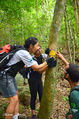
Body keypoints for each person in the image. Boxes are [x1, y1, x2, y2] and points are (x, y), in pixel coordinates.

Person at [0, 37, 56, 119]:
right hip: (5, 76)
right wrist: (48, 62)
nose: (38, 47)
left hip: (10, 76)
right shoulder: (23, 53)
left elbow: (38, 67)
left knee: (16, 95)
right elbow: (37, 68)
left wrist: (47, 62)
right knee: (13, 100)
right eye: (37, 45)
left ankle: (16, 117)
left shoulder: (24, 52)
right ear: (31, 46)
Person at [57, 52, 79, 119]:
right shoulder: (76, 75)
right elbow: (73, 69)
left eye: (64, 70)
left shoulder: (75, 95)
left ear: (67, 75)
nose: (63, 71)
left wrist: (70, 117)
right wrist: (63, 59)